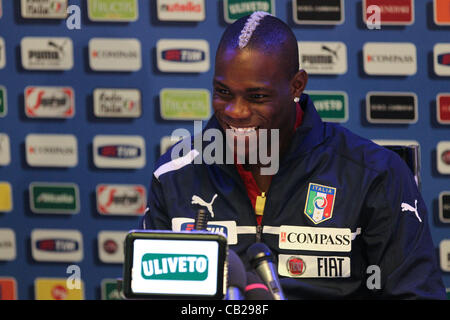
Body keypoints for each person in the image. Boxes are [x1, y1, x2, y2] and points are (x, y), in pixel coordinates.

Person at [140, 12, 446, 299]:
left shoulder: (374, 174)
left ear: (296, 85)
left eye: (256, 96)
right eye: (223, 93)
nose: (236, 111)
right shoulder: (175, 175)